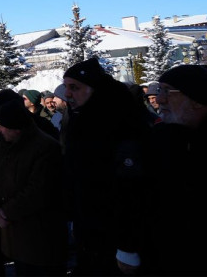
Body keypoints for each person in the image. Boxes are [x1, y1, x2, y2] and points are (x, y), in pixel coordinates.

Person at [142, 65, 207, 275]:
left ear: (196, 99)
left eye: (167, 91)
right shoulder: (158, 139)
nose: (159, 99)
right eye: (159, 91)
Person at [61, 58, 145, 276]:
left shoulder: (123, 125)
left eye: (74, 87)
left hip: (114, 237)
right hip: (87, 231)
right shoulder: (79, 122)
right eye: (66, 87)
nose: (67, 94)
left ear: (95, 90)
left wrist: (128, 246)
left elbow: (132, 190)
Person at [0, 99, 67, 276]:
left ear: (16, 127)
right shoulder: (3, 146)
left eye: (1, 126)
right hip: (14, 237)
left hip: (41, 238)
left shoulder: (46, 147)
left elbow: (38, 191)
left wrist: (6, 212)